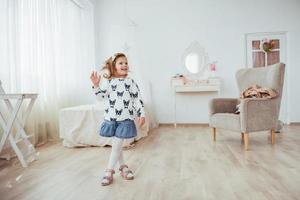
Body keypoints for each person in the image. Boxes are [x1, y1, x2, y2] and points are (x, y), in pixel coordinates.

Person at [90, 53, 145, 186]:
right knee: (117, 145)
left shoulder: (130, 82)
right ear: (113, 67)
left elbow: (137, 99)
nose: (125, 65)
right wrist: (96, 85)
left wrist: (141, 114)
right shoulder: (109, 82)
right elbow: (101, 97)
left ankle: (109, 171)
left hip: (125, 119)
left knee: (117, 145)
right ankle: (123, 167)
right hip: (111, 118)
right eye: (121, 63)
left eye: (126, 63)